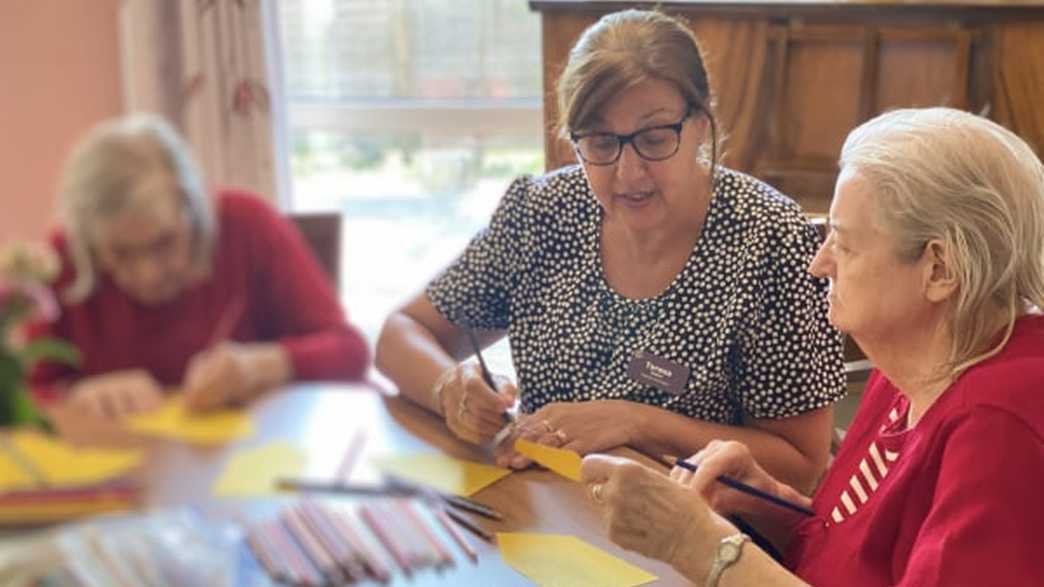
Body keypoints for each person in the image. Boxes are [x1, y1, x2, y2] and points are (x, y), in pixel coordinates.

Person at [376, 9, 845, 491]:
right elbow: (400, 333)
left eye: (654, 138)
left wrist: (638, 422)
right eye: (600, 143)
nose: (628, 173)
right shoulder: (542, 213)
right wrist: (448, 390)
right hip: (549, 510)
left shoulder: (772, 240)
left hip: (697, 534)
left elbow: (802, 464)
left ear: (701, 124)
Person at [581, 107, 1044, 586]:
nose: (819, 264)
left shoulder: (999, 426)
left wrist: (695, 544)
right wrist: (762, 502)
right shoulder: (920, 358)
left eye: (843, 244)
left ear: (940, 270)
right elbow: (857, 561)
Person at [28, 114, 370, 419]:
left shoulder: (248, 225)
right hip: (113, 474)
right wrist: (74, 397)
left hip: (245, 466)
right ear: (88, 243)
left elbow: (350, 351)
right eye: (119, 254)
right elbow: (23, 396)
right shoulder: (63, 258)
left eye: (165, 243)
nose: (148, 273)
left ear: (195, 210)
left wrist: (268, 364)